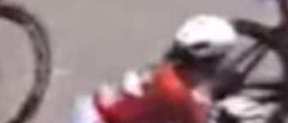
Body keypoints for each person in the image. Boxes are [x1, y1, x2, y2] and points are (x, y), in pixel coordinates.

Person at [71, 14, 258, 123]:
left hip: (96, 112)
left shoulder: (171, 69)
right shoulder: (178, 96)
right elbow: (195, 112)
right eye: (224, 57)